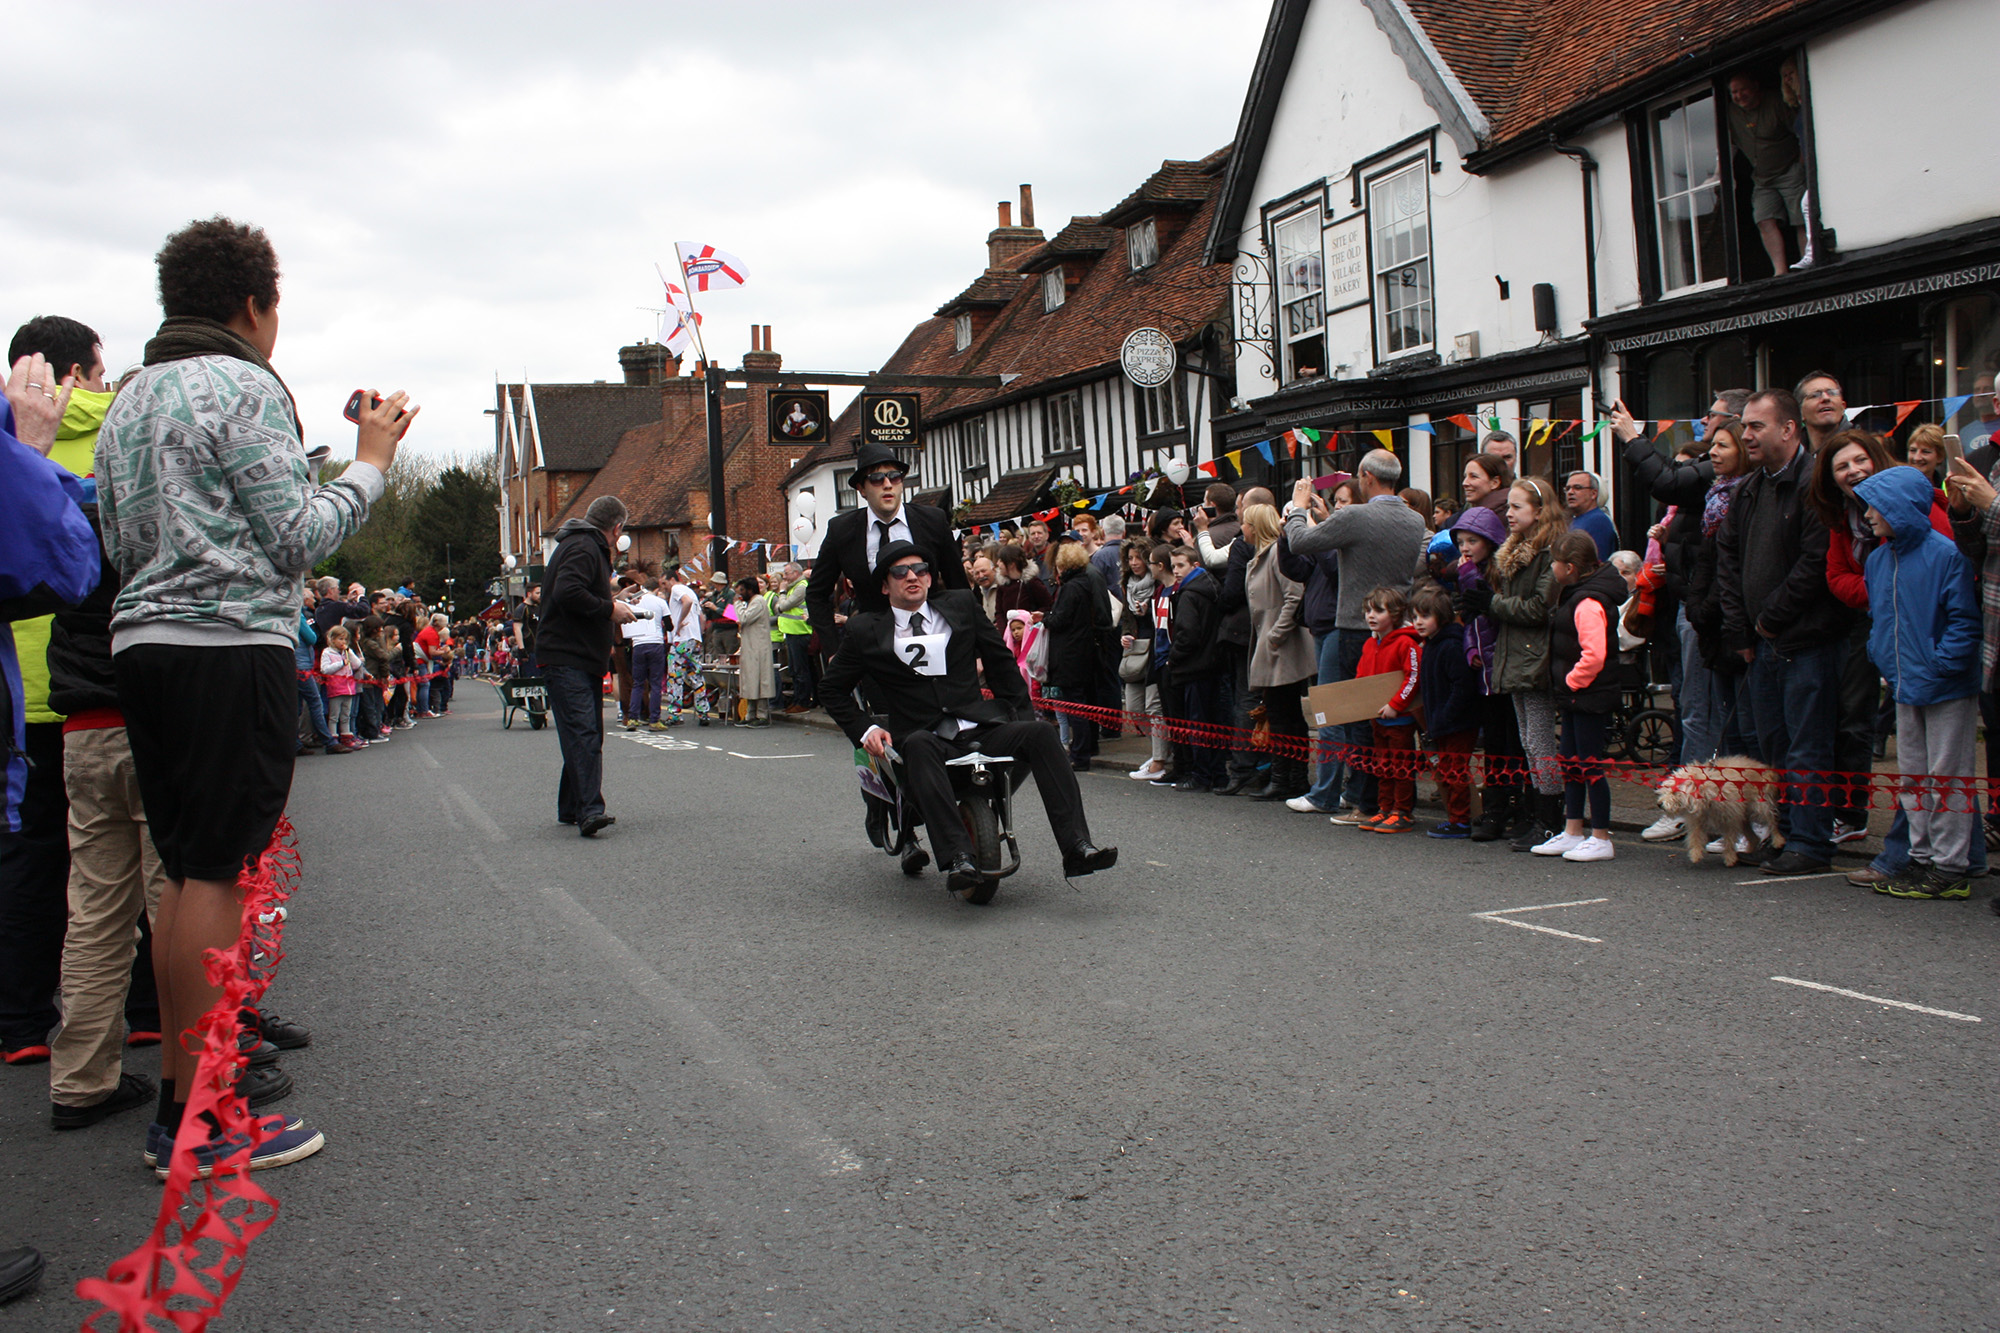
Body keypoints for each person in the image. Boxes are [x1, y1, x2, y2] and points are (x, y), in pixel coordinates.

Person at [97, 216, 412, 1174]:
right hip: (228, 645)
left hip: (143, 642)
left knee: (184, 870)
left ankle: (178, 1103)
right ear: (252, 304)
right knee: (220, 871)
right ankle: (202, 1116)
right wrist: (370, 458)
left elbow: (111, 534)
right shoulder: (244, 385)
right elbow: (295, 536)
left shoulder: (128, 399)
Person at [818, 541, 1115, 894]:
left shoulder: (959, 605)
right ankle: (959, 856)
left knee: (1040, 733)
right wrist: (865, 728)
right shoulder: (865, 629)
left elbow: (1001, 663)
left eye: (921, 569)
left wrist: (1016, 714)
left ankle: (1077, 847)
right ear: (885, 585)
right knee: (919, 743)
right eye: (900, 572)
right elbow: (831, 690)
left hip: (978, 725)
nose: (912, 576)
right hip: (921, 737)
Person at [1717, 388, 1851, 875]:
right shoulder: (1748, 489)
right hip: (1761, 645)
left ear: (1789, 429)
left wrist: (1770, 617)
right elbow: (1727, 562)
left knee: (1807, 745)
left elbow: (1816, 562)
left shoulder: (1815, 483)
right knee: (1771, 746)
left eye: (1756, 426)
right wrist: (1743, 632)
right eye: (1744, 426)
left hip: (1807, 642)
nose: (1745, 435)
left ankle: (1811, 843)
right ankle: (1785, 833)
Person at [1854, 466, 1982, 899]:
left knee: (1947, 777)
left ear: (1901, 508)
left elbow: (1965, 621)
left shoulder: (1945, 555)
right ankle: (1922, 858)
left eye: (1877, 505)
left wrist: (1940, 664)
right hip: (1905, 683)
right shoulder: (1878, 558)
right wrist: (1883, 657)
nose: (1869, 514)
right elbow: (1879, 618)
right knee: (1914, 778)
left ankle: (1950, 867)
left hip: (1945, 686)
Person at [1283, 450, 1429, 822]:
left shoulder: (1356, 515)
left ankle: (1360, 802)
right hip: (1398, 628)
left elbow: (1299, 541)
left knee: (1347, 717)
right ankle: (1379, 802)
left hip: (1353, 626)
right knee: (1387, 723)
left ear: (1365, 476)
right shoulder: (1415, 520)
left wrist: (1299, 506)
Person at [1460, 477, 1569, 851]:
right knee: (1527, 740)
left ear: (1539, 511)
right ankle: (1536, 817)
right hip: (1517, 655)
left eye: (1517, 507)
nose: (1509, 513)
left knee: (1539, 742)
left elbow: (1540, 608)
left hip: (1536, 657)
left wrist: (1490, 604)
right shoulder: (1515, 551)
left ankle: (1551, 822)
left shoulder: (1549, 553)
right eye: (1508, 507)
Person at [537, 495, 636, 837]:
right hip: (569, 656)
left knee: (583, 732)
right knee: (584, 733)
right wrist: (610, 610)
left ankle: (572, 806)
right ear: (617, 527)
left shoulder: (577, 544)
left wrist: (609, 603)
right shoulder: (584, 547)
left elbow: (573, 592)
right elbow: (568, 592)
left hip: (574, 655)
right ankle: (590, 811)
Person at [807, 441, 965, 647]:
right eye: (876, 479)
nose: (887, 484)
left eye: (894, 476)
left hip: (930, 637)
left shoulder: (932, 520)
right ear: (861, 489)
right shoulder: (842, 530)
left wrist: (971, 647)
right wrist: (832, 650)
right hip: (873, 646)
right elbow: (816, 594)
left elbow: (959, 587)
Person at [1531, 531, 1626, 862]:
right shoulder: (1576, 595)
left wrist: (1571, 682)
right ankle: (1573, 830)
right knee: (1570, 763)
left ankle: (1600, 836)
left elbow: (1595, 655)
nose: (1551, 568)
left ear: (1570, 568)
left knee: (1589, 765)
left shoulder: (1587, 603)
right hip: (1575, 697)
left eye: (1554, 562)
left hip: (1588, 695)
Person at [1445, 505, 1519, 841]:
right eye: (1461, 541)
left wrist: (1468, 575)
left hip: (1505, 670)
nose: (1465, 547)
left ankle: (1513, 808)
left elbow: (1492, 615)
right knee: (1493, 744)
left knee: (1511, 744)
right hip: (1484, 671)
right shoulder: (1467, 571)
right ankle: (1494, 809)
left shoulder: (1493, 574)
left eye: (1472, 540)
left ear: (1489, 541)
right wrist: (1471, 651)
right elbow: (1472, 626)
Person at [1279, 479, 1349, 814]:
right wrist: (1287, 533)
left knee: (1332, 715)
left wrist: (1313, 525)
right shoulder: (1329, 538)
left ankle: (1326, 793)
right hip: (1321, 628)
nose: (1338, 507)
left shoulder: (1345, 541)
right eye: (1336, 501)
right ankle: (1334, 789)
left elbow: (1334, 567)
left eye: (1345, 501)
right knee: (1332, 714)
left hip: (1339, 628)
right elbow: (1296, 567)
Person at [1241, 502, 1314, 801]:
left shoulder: (1274, 554)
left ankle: (1289, 779)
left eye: (1245, 523)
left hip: (1281, 647)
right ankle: (1288, 777)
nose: (1241, 528)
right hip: (1269, 644)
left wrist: (1276, 634)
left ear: (1255, 527)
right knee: (1283, 715)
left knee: (1286, 717)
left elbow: (1294, 593)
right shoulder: (1260, 556)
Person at [1410, 586, 1479, 837]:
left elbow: (1462, 687)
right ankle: (1456, 816)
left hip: (1457, 722)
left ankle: (1461, 820)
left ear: (1441, 616)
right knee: (1448, 769)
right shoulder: (1431, 645)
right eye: (1416, 616)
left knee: (1455, 770)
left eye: (1425, 616)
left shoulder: (1450, 646)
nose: (1419, 622)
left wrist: (1445, 716)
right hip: (1441, 720)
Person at [1352, 587, 1422, 834]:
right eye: (1368, 610)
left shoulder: (1406, 643)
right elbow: (1362, 677)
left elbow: (1413, 677)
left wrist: (1396, 704)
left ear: (1395, 614)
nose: (1371, 615)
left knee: (1401, 766)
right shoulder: (1370, 644)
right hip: (1377, 718)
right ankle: (1384, 808)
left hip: (1399, 719)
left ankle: (1402, 811)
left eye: (1378, 611)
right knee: (1382, 765)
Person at [1725, 71, 1807, 275]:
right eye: (1734, 92)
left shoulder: (1776, 103)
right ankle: (1780, 271)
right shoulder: (1731, 113)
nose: (1739, 96)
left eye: (1743, 89)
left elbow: (1801, 131)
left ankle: (1809, 265)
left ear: (1755, 86)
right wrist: (1721, 173)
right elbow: (1728, 145)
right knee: (1764, 219)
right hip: (1762, 178)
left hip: (1789, 170)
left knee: (1800, 219)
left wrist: (1803, 163)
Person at [1164, 544, 1226, 791]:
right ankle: (1218, 774)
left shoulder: (1189, 594)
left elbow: (1187, 634)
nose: (1176, 571)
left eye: (1181, 566)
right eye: (1174, 566)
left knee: (1198, 724)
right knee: (1214, 723)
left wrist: (1173, 658)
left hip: (1194, 666)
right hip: (1213, 663)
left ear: (1195, 566)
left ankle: (1201, 775)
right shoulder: (1212, 588)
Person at [1042, 541, 1109, 770]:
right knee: (1081, 704)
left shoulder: (1071, 588)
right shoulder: (1085, 583)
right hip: (1082, 650)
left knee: (1074, 707)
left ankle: (1079, 755)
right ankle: (1085, 749)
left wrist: (1043, 618)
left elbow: (1060, 620)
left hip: (1070, 654)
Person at [1115, 538, 1169, 782]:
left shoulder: (1158, 585)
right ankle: (1160, 752)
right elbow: (1127, 617)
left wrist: (1152, 609)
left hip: (1155, 649)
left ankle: (1160, 759)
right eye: (1130, 558)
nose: (1134, 563)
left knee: (1153, 707)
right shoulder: (1127, 583)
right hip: (1136, 650)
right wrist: (1125, 635)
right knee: (1135, 709)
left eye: (1138, 558)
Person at [662, 565, 712, 725]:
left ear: (671, 579)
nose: (664, 587)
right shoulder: (692, 592)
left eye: (664, 583)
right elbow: (701, 617)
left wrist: (679, 622)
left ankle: (675, 714)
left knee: (674, 675)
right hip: (695, 638)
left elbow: (687, 602)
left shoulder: (677, 589)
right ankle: (703, 712)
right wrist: (699, 633)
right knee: (695, 675)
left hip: (682, 638)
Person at [621, 576, 670, 730]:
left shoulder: (635, 601)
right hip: (655, 643)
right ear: (657, 588)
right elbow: (669, 625)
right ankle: (654, 720)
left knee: (638, 683)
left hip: (638, 644)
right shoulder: (660, 602)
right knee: (655, 684)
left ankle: (633, 718)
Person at [732, 577, 773, 726]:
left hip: (758, 647)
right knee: (750, 680)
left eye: (742, 590)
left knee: (760, 680)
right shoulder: (751, 602)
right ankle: (750, 714)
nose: (740, 594)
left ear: (750, 589)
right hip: (750, 646)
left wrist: (737, 604)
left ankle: (761, 715)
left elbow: (744, 618)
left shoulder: (758, 601)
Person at [319, 627, 361, 750]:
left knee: (346, 715)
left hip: (349, 688)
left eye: (345, 639)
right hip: (336, 688)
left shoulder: (346, 652)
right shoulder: (327, 652)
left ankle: (346, 737)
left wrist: (349, 653)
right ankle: (333, 738)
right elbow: (325, 669)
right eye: (340, 639)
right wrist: (341, 663)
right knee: (334, 715)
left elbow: (357, 664)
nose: (343, 642)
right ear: (332, 639)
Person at [1563, 471, 1619, 560]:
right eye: (1567, 488)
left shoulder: (1597, 521)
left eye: (1577, 488)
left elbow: (1595, 562)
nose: (1570, 492)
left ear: (1593, 494)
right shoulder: (1574, 520)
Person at [1795, 370, 1847, 455]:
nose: (1826, 398)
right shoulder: (1792, 456)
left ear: (1843, 407)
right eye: (1815, 395)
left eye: (1832, 393)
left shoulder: (1860, 446)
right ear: (1800, 413)